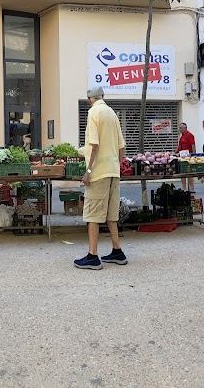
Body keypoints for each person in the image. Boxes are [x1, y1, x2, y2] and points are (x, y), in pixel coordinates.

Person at [74, 87, 127, 270]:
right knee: (111, 214)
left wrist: (88, 171)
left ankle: (92, 255)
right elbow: (121, 147)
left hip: (99, 171)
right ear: (103, 96)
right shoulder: (112, 113)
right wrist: (117, 165)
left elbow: (94, 144)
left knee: (93, 215)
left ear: (89, 99)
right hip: (113, 170)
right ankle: (117, 251)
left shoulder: (93, 112)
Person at [175, 122, 196, 193]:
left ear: (185, 128)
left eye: (181, 128)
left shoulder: (189, 135)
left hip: (188, 156)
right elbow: (179, 147)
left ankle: (192, 187)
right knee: (182, 173)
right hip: (182, 157)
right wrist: (174, 153)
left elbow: (193, 145)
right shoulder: (181, 137)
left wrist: (193, 155)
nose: (179, 129)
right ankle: (183, 187)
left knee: (189, 173)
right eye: (179, 128)